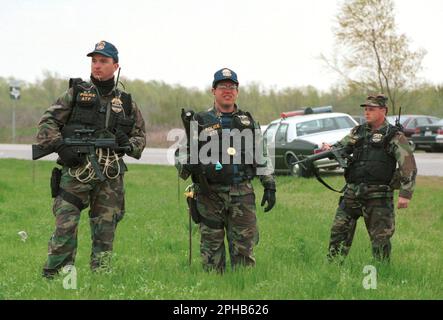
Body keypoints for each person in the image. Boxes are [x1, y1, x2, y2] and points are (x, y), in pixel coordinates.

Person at [36, 40, 146, 278]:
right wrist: (60, 146)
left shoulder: (126, 102)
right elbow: (47, 122)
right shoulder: (75, 93)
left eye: (103, 61)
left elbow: (140, 138)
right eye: (94, 61)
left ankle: (101, 279)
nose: (97, 66)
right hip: (75, 172)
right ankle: (55, 278)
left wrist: (128, 145)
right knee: (65, 226)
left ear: (115, 66)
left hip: (110, 175)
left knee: (105, 230)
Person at [175, 68, 276, 273]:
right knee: (211, 255)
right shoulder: (200, 121)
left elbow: (261, 155)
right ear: (214, 90)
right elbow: (180, 153)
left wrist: (269, 184)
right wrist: (188, 163)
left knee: (244, 254)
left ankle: (243, 290)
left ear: (237, 91)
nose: (227, 90)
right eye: (223, 86)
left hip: (242, 193)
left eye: (232, 87)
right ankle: (214, 292)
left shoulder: (247, 122)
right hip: (209, 195)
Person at [323, 94, 417, 262]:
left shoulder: (394, 135)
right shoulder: (358, 132)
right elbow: (341, 147)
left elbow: (408, 165)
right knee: (339, 231)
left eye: (371, 109)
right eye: (366, 109)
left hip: (378, 196)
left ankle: (382, 273)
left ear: (383, 111)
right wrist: (330, 149)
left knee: (380, 240)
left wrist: (405, 194)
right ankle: (333, 268)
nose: (367, 113)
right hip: (352, 193)